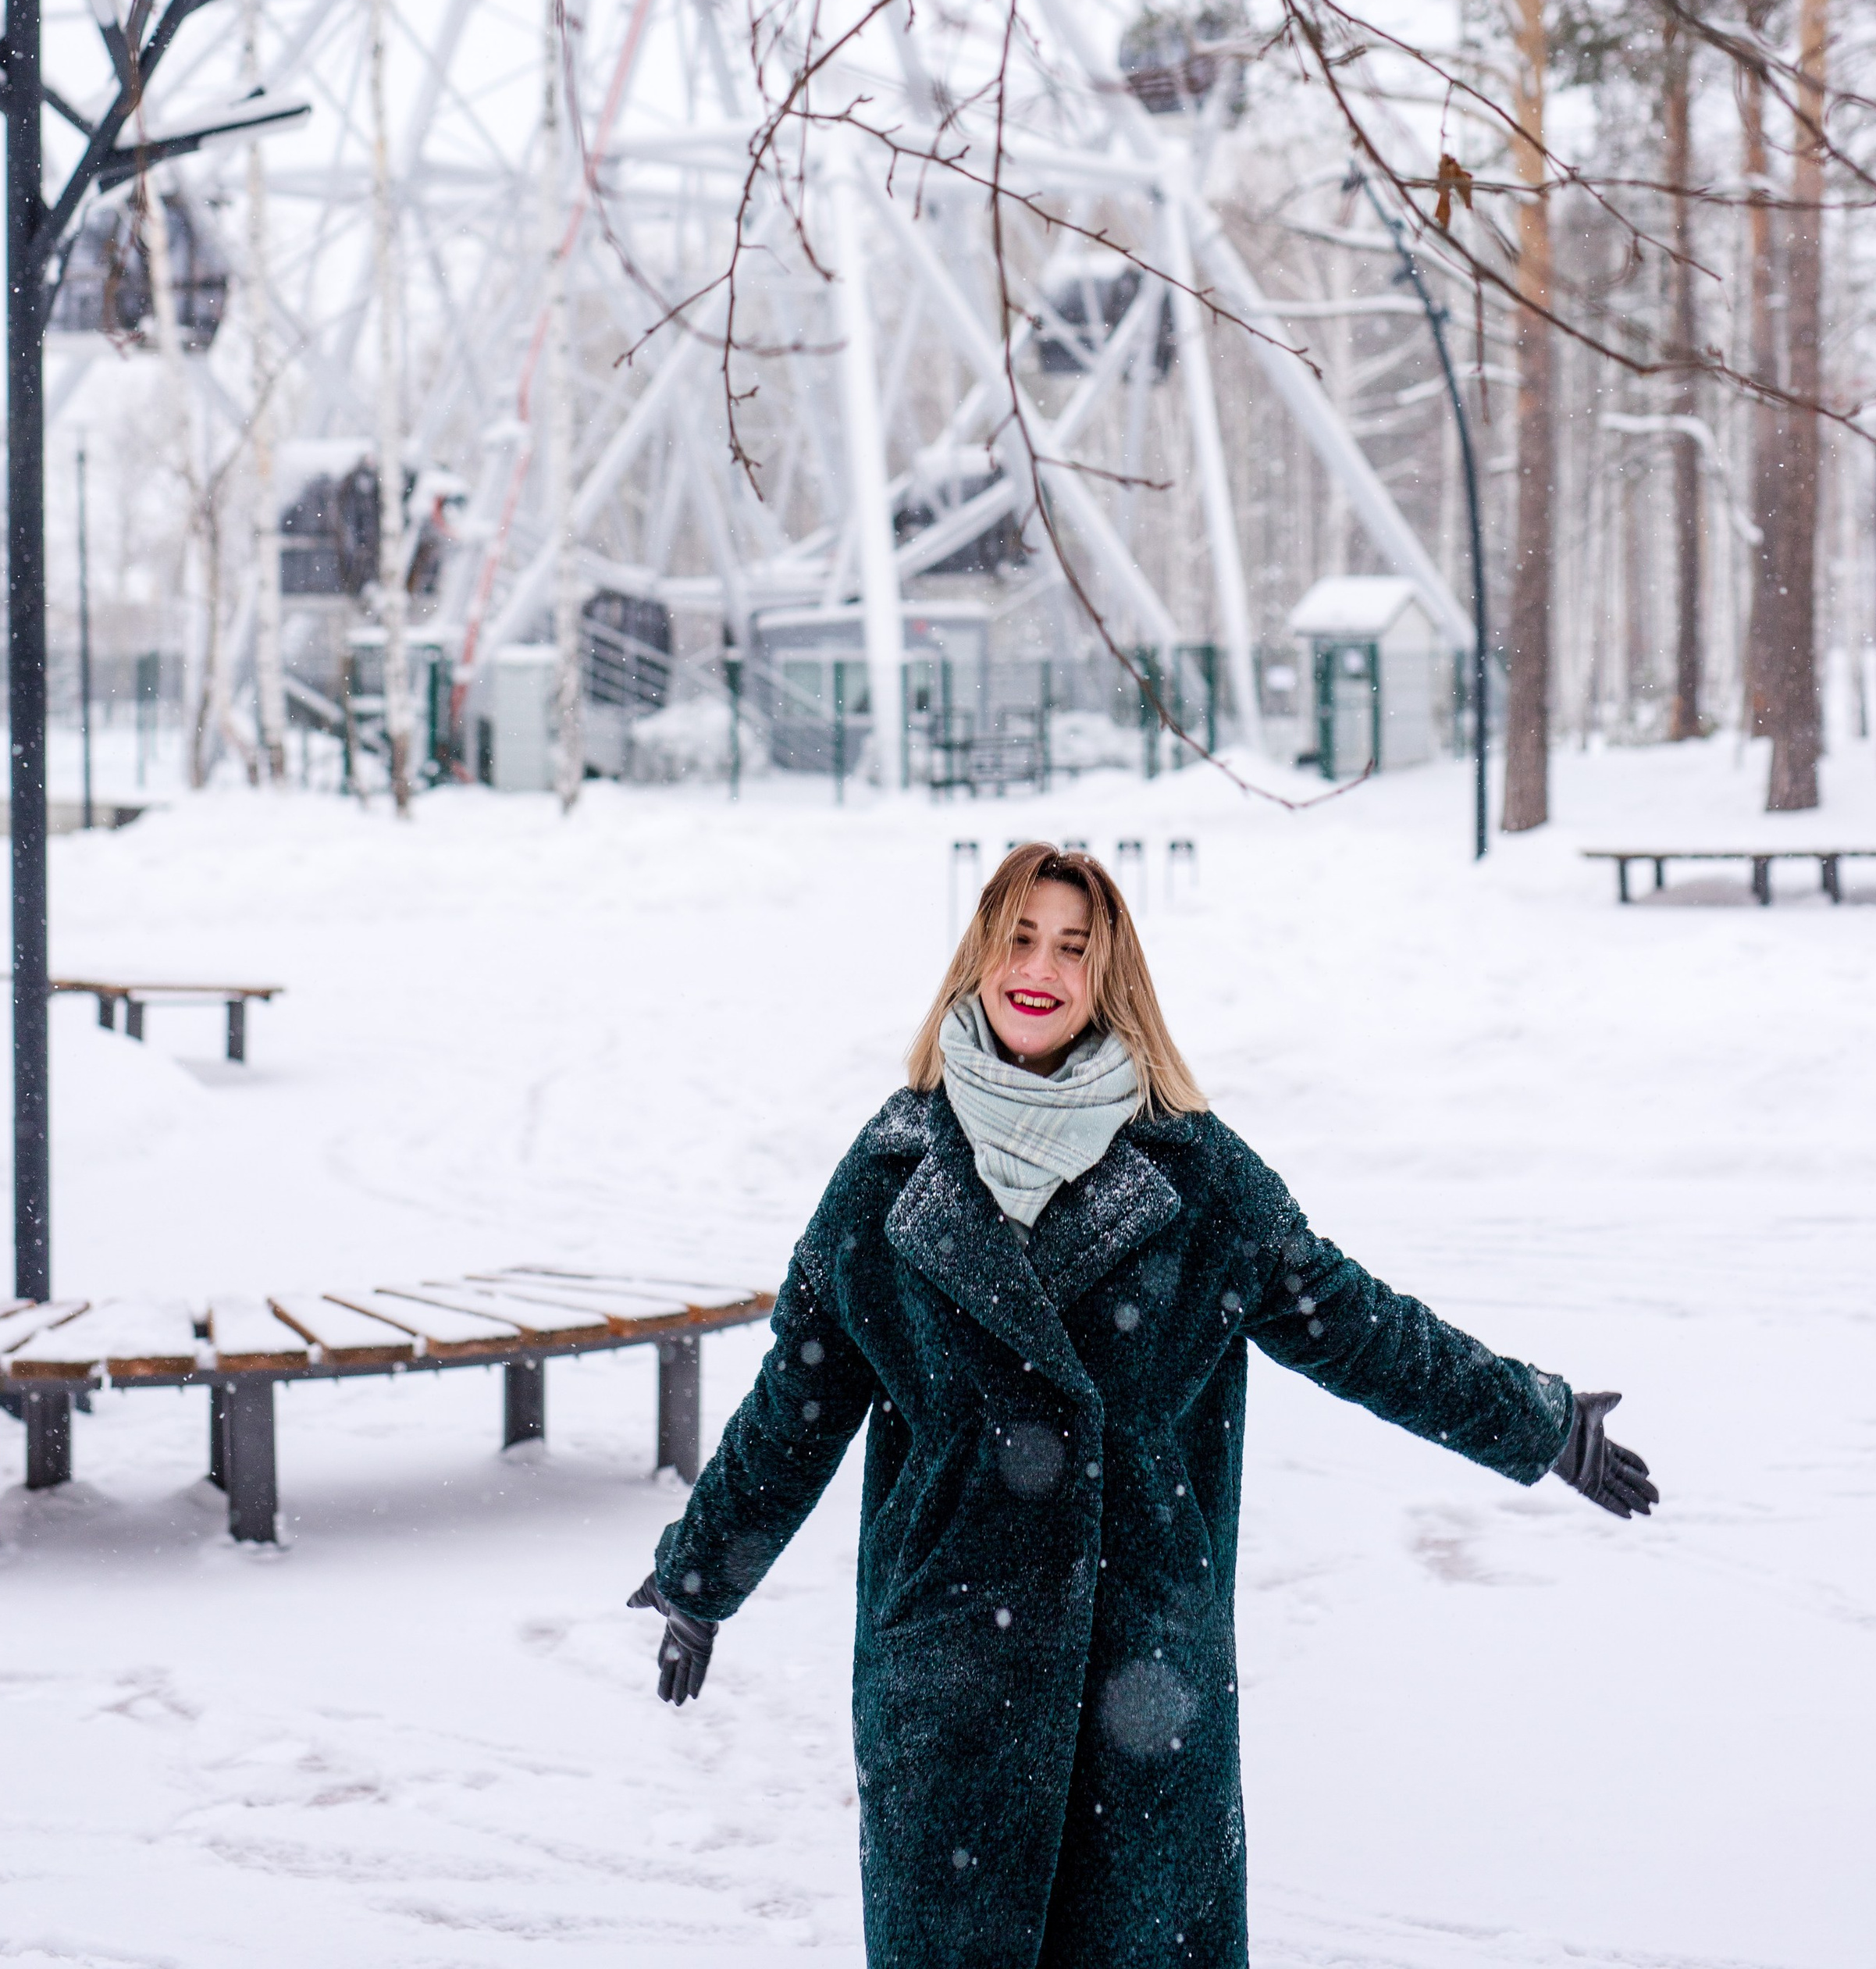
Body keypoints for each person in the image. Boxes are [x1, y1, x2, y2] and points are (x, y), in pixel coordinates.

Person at [630, 842, 1655, 1969]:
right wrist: (702, 1574)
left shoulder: (1196, 1176)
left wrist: (1536, 1419)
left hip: (1143, 1687)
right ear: (978, 958)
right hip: (952, 1685)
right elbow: (798, 1401)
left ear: (1107, 974)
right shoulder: (886, 1176)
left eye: (1074, 947)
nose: (1042, 968)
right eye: (1020, 938)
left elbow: (1356, 1326)